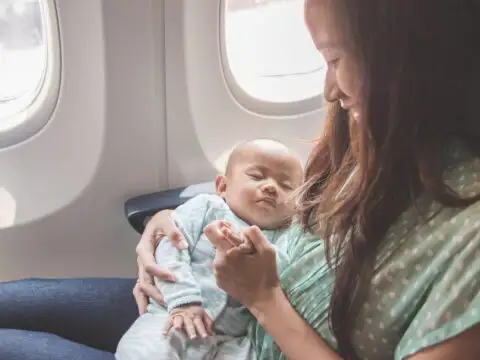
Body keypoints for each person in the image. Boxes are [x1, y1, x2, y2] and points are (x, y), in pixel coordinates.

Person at [0, 0, 479, 359]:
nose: (329, 90)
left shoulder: (468, 244)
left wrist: (265, 299)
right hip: (206, 297)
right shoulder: (383, 133)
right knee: (10, 302)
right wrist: (173, 222)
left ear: (412, 66)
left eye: (335, 59)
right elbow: (289, 210)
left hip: (242, 340)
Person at [115, 139, 303, 360]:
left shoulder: (288, 236)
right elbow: (172, 249)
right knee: (144, 351)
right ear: (223, 186)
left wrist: (252, 251)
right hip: (175, 314)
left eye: (286, 185)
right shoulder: (206, 207)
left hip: (236, 338)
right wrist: (184, 301)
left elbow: (284, 279)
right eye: (257, 177)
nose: (271, 187)